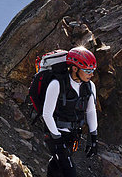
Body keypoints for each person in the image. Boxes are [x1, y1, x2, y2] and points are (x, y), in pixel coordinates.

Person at [43, 46, 98, 177]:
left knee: (57, 167)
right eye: (88, 70)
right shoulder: (57, 84)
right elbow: (47, 114)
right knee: (69, 172)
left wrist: (93, 137)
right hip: (55, 134)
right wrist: (57, 139)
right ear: (75, 68)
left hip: (73, 135)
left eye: (93, 70)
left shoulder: (90, 86)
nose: (92, 74)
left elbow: (91, 111)